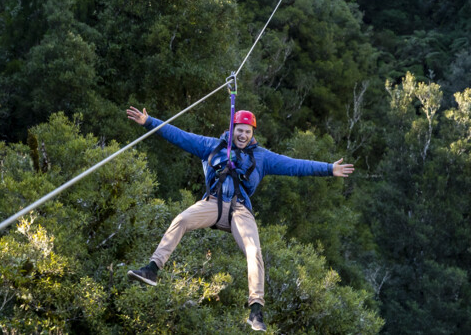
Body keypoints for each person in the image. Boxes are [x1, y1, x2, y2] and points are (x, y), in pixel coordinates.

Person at [125, 106, 354, 332]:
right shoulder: (211, 145)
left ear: (252, 134)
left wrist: (328, 169)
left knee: (254, 250)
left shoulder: (262, 157)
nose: (243, 135)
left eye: (247, 132)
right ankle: (152, 269)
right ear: (232, 129)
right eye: (239, 131)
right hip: (212, 203)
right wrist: (149, 122)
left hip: (240, 210)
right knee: (182, 219)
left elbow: (295, 165)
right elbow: (180, 136)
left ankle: (256, 310)